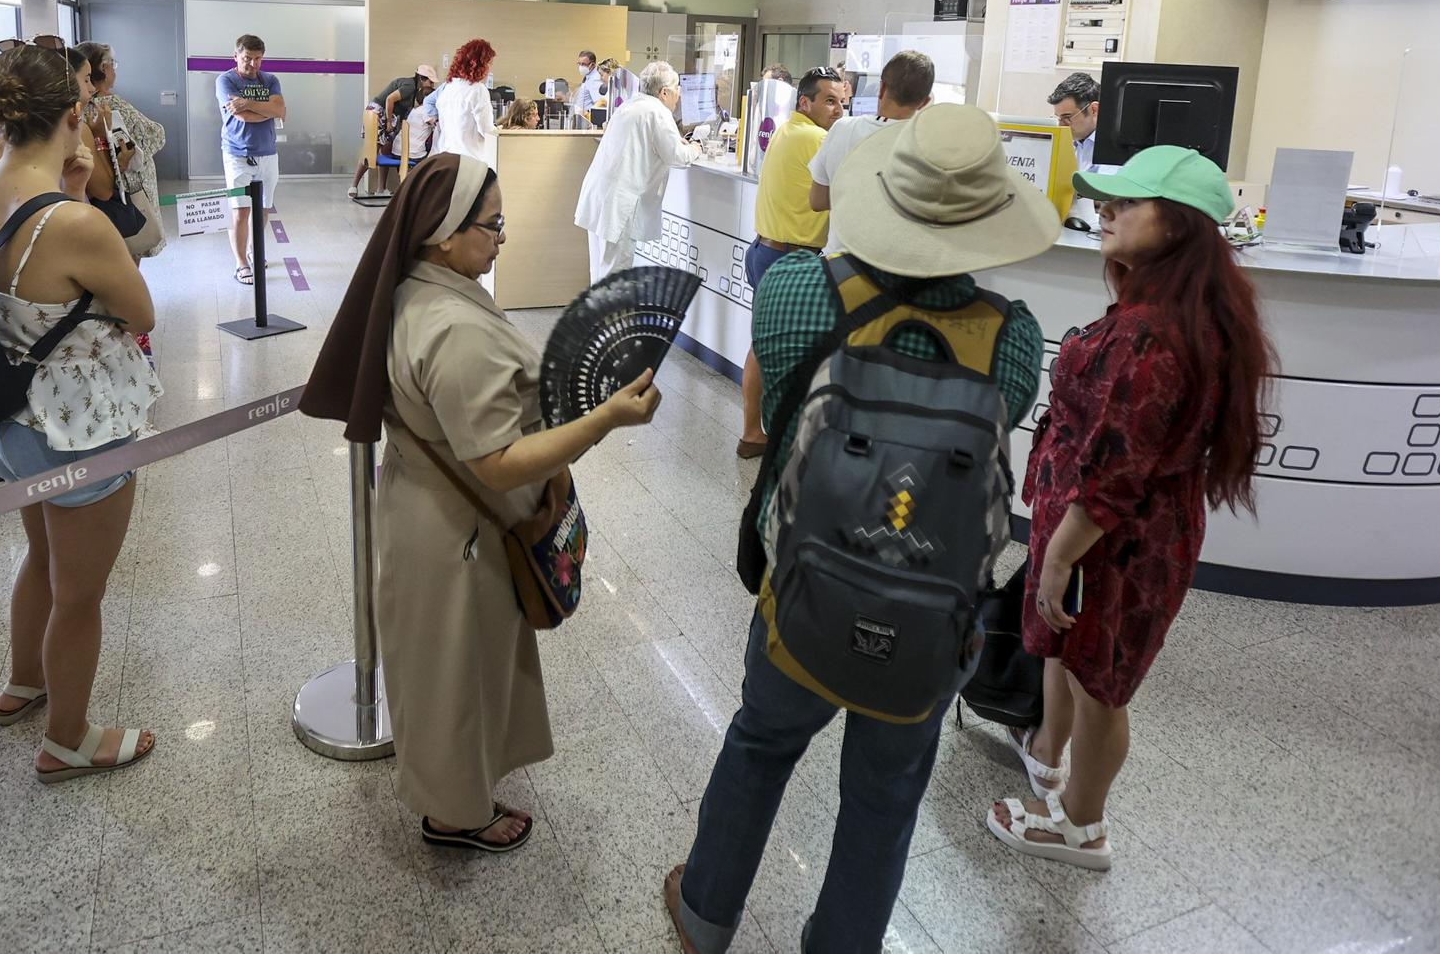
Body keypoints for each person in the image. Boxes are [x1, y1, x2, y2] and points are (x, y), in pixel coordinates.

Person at [666, 105, 1055, 954]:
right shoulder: (1011, 340)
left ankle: (704, 913)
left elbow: (775, 414)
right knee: (884, 800)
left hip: (801, 591)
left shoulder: (802, 290)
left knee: (760, 744)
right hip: (930, 617)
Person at [300, 154, 661, 852]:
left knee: (446, 667)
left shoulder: (417, 289)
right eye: (492, 224)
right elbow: (495, 464)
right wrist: (606, 418)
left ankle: (455, 785)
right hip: (457, 533)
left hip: (429, 512)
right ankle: (455, 815)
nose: (502, 237)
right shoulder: (453, 327)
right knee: (453, 677)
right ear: (441, 231)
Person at [988, 146, 1271, 871]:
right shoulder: (1165, 311)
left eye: (1127, 201)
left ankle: (1082, 826)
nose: (1105, 210)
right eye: (1106, 198)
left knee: (1100, 684)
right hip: (1095, 528)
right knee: (1068, 651)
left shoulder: (1156, 337)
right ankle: (1049, 756)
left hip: (1113, 541)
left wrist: (1054, 557)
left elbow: (1116, 476)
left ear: (1180, 225)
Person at [0, 43, 163, 781]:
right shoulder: (76, 225)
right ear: (75, 114)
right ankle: (69, 737)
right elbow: (140, 310)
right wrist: (80, 204)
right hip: (80, 427)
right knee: (82, 593)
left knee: (41, 554)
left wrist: (70, 193)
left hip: (6, 422)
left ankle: (24, 681)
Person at [736, 66, 844, 459]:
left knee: (764, 346)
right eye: (829, 101)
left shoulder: (787, 129)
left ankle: (755, 431)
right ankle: (760, 435)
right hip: (790, 258)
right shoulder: (816, 139)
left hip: (767, 251)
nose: (838, 110)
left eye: (841, 102)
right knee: (778, 352)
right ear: (805, 102)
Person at [573, 61, 699, 282]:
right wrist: (696, 148)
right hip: (618, 205)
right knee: (614, 276)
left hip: (601, 197)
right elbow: (676, 156)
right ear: (664, 92)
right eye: (677, 88)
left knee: (601, 274)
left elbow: (648, 141)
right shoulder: (658, 112)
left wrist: (675, 143)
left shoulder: (633, 105)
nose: (679, 94)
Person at [809, 51, 935, 255]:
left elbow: (817, 201)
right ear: (924, 102)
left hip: (839, 266)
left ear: (882, 87)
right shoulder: (927, 145)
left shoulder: (842, 129)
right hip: (894, 271)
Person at [79, 41, 167, 260]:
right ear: (103, 68)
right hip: (124, 188)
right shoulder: (111, 104)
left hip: (88, 192)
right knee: (132, 243)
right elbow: (156, 134)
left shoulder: (77, 109)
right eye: (112, 64)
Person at [217, 34, 284, 285]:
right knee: (240, 211)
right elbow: (242, 117)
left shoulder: (271, 79)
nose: (253, 64)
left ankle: (255, 251)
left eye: (258, 59)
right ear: (236, 56)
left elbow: (279, 110)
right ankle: (241, 263)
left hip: (268, 154)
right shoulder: (225, 80)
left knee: (263, 209)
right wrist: (263, 108)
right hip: (237, 154)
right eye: (247, 58)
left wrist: (248, 103)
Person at [350, 64, 437, 197]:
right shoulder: (410, 86)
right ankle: (354, 186)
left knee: (386, 150)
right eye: (430, 82)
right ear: (421, 79)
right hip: (379, 113)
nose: (432, 85)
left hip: (387, 115)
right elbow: (390, 99)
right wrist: (389, 122)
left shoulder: (415, 91)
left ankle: (381, 188)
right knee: (372, 150)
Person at [432, 38, 498, 171]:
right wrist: (499, 131)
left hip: (446, 159)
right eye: (489, 63)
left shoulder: (448, 88)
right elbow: (487, 131)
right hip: (471, 162)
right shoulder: (477, 90)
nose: (489, 68)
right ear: (479, 64)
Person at [1049, 71, 1100, 172]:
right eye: (1059, 118)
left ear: (1094, 110)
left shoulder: (1115, 151)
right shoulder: (1073, 141)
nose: (1061, 125)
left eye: (1067, 117)